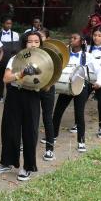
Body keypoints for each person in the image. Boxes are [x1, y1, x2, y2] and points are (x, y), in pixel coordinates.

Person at [0, 31, 44, 182]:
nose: (33, 44)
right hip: (14, 94)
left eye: (36, 41)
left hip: (32, 96)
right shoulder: (16, 58)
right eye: (30, 41)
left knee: (30, 131)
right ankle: (7, 162)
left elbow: (47, 84)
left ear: (40, 44)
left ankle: (28, 166)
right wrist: (21, 73)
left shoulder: (45, 60)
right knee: (10, 128)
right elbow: (6, 78)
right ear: (24, 43)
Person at [51, 33, 90, 153]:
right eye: (71, 38)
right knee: (57, 111)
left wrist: (98, 81)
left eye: (75, 38)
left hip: (80, 87)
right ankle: (53, 135)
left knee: (79, 114)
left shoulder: (87, 55)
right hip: (66, 86)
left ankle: (81, 141)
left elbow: (96, 69)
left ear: (82, 41)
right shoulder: (64, 54)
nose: (71, 40)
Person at [36, 28, 57, 162]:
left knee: (47, 117)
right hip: (33, 88)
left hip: (47, 88)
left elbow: (57, 70)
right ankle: (23, 142)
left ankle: (49, 148)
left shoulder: (53, 52)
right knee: (29, 117)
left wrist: (49, 84)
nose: (38, 40)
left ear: (47, 39)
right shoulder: (31, 52)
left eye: (41, 37)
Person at [0, 18, 20, 105]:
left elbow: (17, 48)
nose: (9, 25)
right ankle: (0, 96)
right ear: (3, 24)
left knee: (10, 79)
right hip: (1, 60)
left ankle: (10, 97)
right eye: (7, 23)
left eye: (10, 24)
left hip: (10, 60)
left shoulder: (15, 35)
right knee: (0, 79)